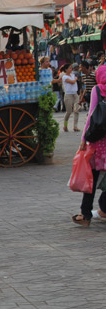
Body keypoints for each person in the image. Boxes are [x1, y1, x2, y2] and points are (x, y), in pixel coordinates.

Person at [72, 65, 106, 227]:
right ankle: (104, 209)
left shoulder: (98, 90)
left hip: (97, 143)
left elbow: (92, 114)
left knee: (91, 178)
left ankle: (85, 215)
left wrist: (83, 139)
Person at [60, 63, 80, 132]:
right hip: (68, 95)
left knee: (76, 110)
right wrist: (75, 79)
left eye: (71, 68)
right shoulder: (64, 77)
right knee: (69, 111)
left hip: (75, 94)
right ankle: (65, 125)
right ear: (66, 69)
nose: (71, 69)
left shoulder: (73, 75)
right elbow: (72, 82)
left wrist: (75, 79)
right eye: (69, 68)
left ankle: (75, 126)